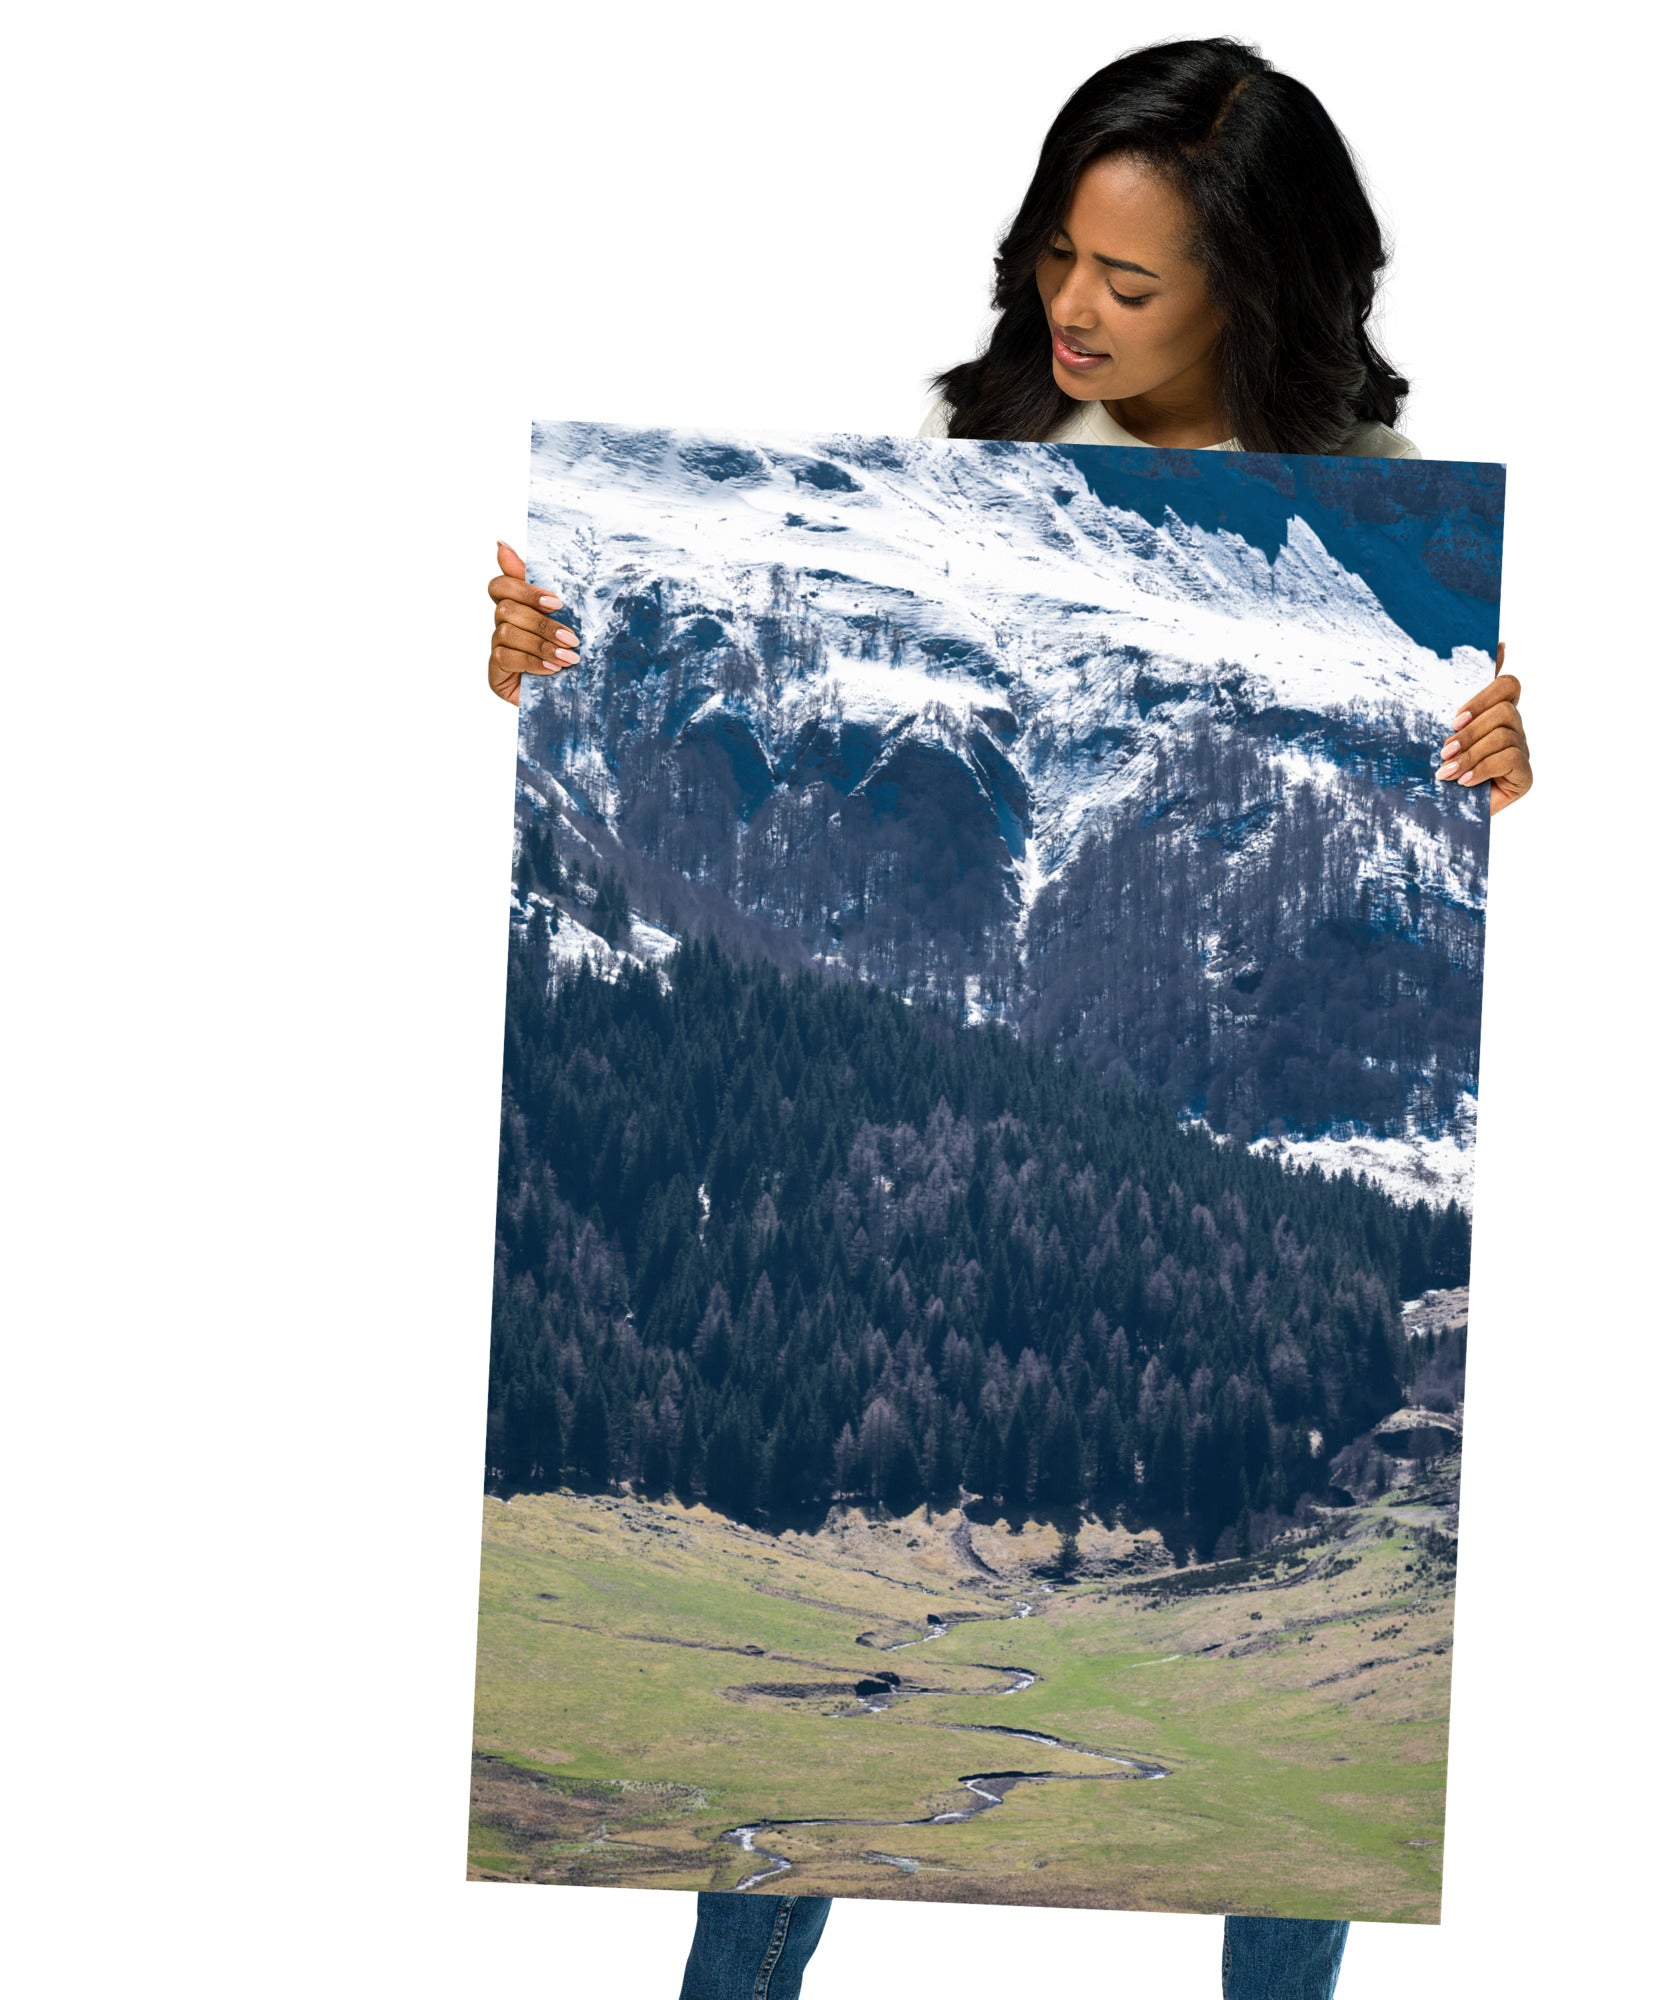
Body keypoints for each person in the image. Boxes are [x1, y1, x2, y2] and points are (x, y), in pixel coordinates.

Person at [482, 36, 1533, 2000]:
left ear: (1259, 287)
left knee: (1305, 1782)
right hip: (943, 1181)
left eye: (1130, 284)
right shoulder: (960, 491)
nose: (1072, 307)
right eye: (1060, 254)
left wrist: (1505, 756)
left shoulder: (1405, 545)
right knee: (769, 1790)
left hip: (1235, 1163)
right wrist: (545, 656)